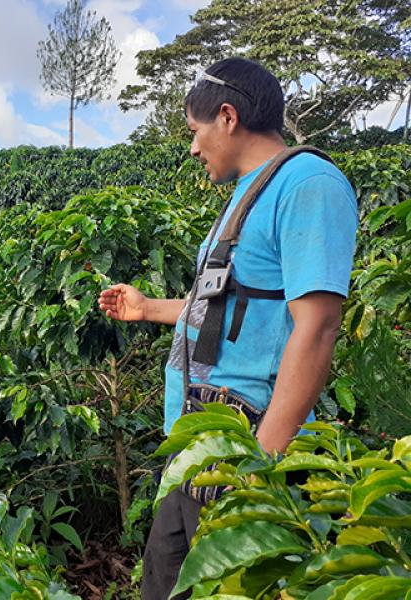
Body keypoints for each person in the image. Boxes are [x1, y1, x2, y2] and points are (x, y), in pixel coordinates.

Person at [98, 58, 357, 600]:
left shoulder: (309, 183)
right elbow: (220, 307)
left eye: (195, 133)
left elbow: (318, 325)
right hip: (196, 449)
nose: (193, 149)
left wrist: (259, 465)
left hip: (243, 449)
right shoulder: (247, 194)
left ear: (228, 116)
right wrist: (148, 309)